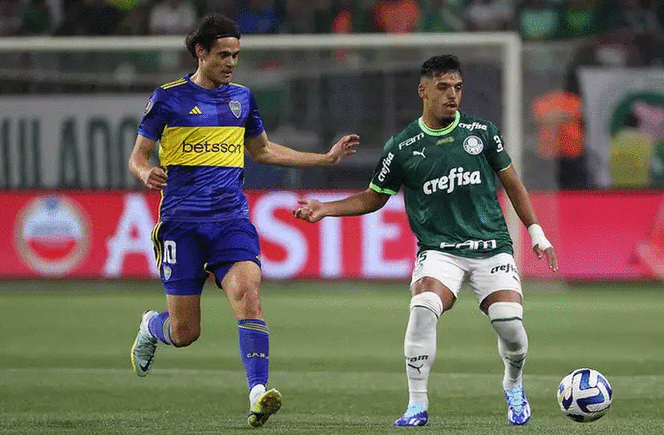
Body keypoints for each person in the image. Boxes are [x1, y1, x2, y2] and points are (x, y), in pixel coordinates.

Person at [293, 54, 557, 427]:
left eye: (458, 88)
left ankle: (513, 384)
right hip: (439, 250)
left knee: (509, 325)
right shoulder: (402, 147)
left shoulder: (483, 133)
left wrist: (536, 233)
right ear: (423, 91)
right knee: (423, 308)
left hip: (490, 246)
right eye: (443, 87)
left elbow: (513, 184)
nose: (452, 95)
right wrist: (326, 208)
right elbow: (374, 197)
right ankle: (417, 405)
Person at [128, 13, 358, 428]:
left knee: (248, 294)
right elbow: (137, 157)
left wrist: (324, 159)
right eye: (223, 55)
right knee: (185, 332)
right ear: (201, 52)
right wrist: (146, 173)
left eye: (236, 55)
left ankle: (258, 392)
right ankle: (151, 326)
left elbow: (263, 150)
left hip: (230, 220)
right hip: (181, 223)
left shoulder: (242, 99)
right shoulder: (167, 98)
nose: (231, 62)